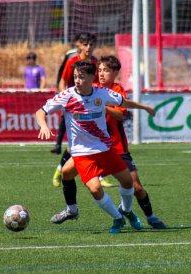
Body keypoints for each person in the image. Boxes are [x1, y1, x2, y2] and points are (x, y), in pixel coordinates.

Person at [36, 60, 157, 233]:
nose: (77, 81)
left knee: (128, 181)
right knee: (94, 188)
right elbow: (40, 112)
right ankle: (117, 218)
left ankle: (127, 211)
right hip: (81, 153)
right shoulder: (67, 95)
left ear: (91, 77)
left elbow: (124, 102)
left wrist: (144, 107)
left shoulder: (101, 93)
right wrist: (44, 125)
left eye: (81, 77)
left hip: (105, 148)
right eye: (76, 77)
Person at [50, 32, 98, 155]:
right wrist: (64, 94)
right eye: (85, 45)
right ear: (80, 46)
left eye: (91, 45)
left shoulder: (95, 62)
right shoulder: (72, 61)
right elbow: (63, 80)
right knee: (68, 122)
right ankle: (58, 145)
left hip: (90, 98)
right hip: (74, 97)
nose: (88, 48)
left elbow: (97, 82)